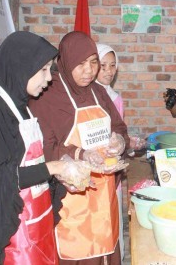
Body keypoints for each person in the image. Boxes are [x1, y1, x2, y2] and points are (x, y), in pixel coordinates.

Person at [0, 31, 92, 264]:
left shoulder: (20, 103)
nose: (48, 79)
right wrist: (53, 167)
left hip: (37, 218)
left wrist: (61, 176)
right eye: (43, 70)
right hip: (15, 232)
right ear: (21, 66)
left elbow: (29, 163)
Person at [29, 31, 129, 264]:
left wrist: (120, 141)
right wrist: (80, 154)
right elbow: (42, 148)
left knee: (105, 245)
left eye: (93, 62)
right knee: (78, 252)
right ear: (66, 61)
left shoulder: (99, 92)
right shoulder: (47, 97)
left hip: (104, 193)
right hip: (70, 196)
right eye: (81, 63)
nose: (89, 71)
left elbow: (119, 127)